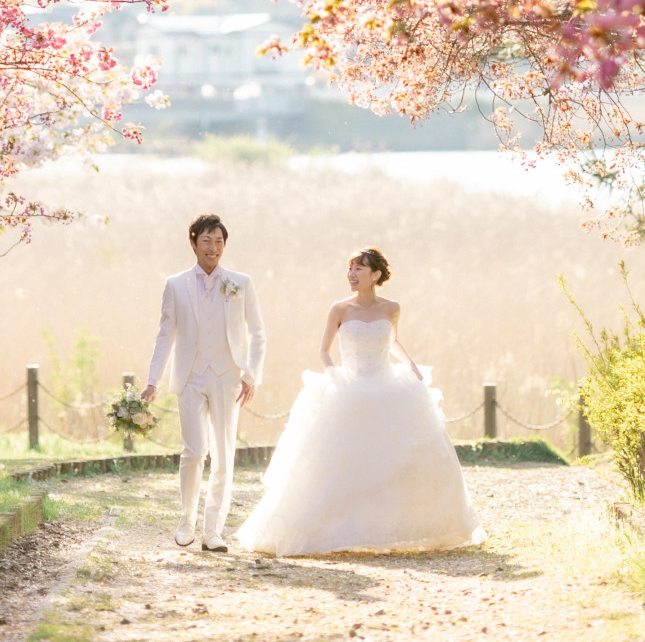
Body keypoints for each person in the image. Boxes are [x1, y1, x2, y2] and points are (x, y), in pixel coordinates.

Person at [236, 247, 485, 556]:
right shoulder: (339, 309)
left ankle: (395, 529)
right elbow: (324, 350)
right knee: (337, 460)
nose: (352, 275)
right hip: (349, 385)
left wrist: (412, 366)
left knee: (398, 457)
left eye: (359, 269)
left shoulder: (391, 308)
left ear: (375, 275)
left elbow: (391, 341)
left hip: (386, 385)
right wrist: (335, 378)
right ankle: (334, 530)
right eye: (350, 269)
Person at [143, 212, 266, 552]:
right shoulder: (175, 284)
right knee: (194, 451)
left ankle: (214, 529)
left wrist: (250, 373)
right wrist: (152, 380)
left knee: (225, 455)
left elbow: (258, 333)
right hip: (190, 377)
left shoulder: (240, 282)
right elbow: (164, 335)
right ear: (193, 241)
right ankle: (186, 519)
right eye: (207, 241)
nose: (213, 248)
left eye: (219, 241)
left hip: (228, 378)